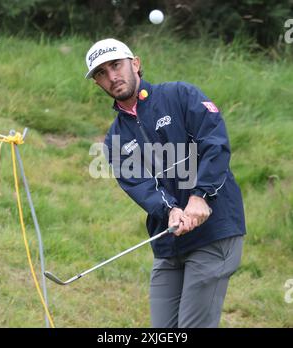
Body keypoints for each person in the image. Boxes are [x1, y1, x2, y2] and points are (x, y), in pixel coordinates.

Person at [85, 38, 246, 328]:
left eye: (116, 66)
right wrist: (171, 210)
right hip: (168, 241)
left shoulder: (181, 95)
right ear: (97, 83)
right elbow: (141, 187)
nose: (112, 77)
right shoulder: (115, 139)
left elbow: (215, 143)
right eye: (101, 73)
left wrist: (200, 197)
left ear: (135, 63)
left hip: (214, 232)